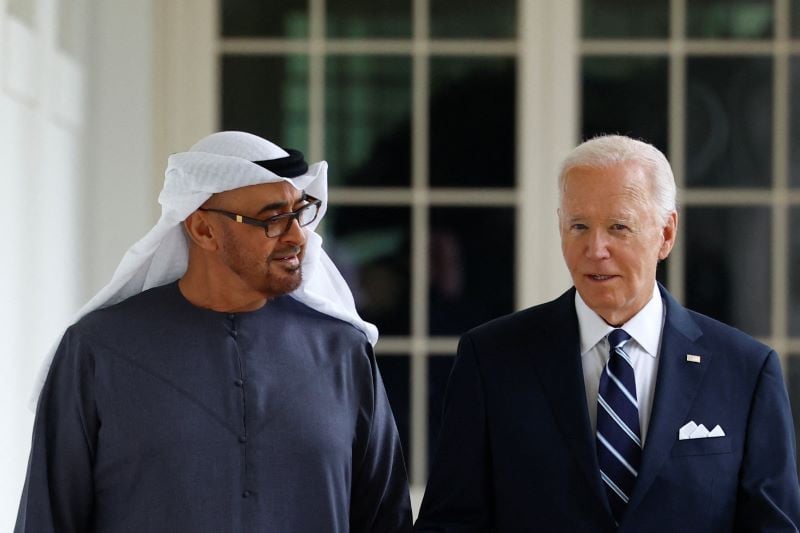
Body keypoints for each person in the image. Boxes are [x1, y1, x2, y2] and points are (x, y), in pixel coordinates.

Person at [15, 131, 412, 532]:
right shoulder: (98, 350)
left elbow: (386, 520)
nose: (296, 236)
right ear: (203, 230)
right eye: (272, 218)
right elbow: (47, 519)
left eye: (299, 212)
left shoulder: (342, 352)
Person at [414, 135, 800, 531]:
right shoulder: (491, 360)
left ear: (666, 234)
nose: (595, 249)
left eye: (619, 227)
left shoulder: (746, 372)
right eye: (579, 226)